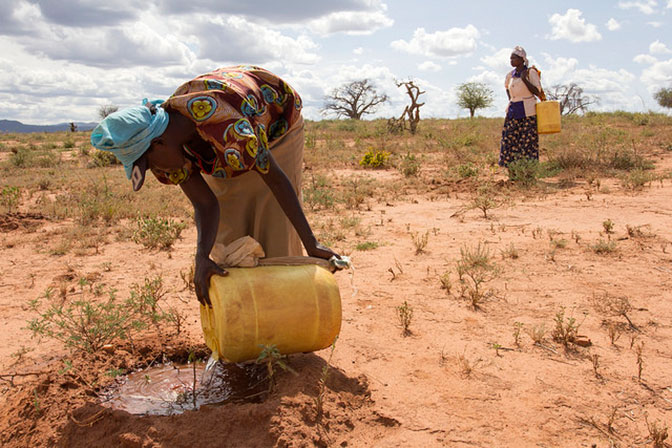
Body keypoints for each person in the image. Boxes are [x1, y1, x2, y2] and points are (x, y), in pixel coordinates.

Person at [90, 65, 339, 306]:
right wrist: (202, 257)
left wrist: (311, 244)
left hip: (277, 126)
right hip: (227, 141)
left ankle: (283, 312)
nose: (157, 172)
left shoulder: (228, 126)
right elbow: (205, 203)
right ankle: (243, 317)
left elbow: (275, 179)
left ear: (158, 144)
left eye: (150, 165)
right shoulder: (171, 147)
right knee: (230, 234)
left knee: (272, 219)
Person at [499, 46, 544, 169]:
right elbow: (507, 88)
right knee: (510, 140)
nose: (511, 60)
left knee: (527, 142)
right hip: (513, 110)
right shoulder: (510, 75)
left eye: (514, 58)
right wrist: (512, 99)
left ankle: (527, 171)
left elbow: (537, 91)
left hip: (528, 111)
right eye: (510, 58)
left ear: (522, 59)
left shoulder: (530, 72)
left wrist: (525, 79)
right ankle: (512, 170)